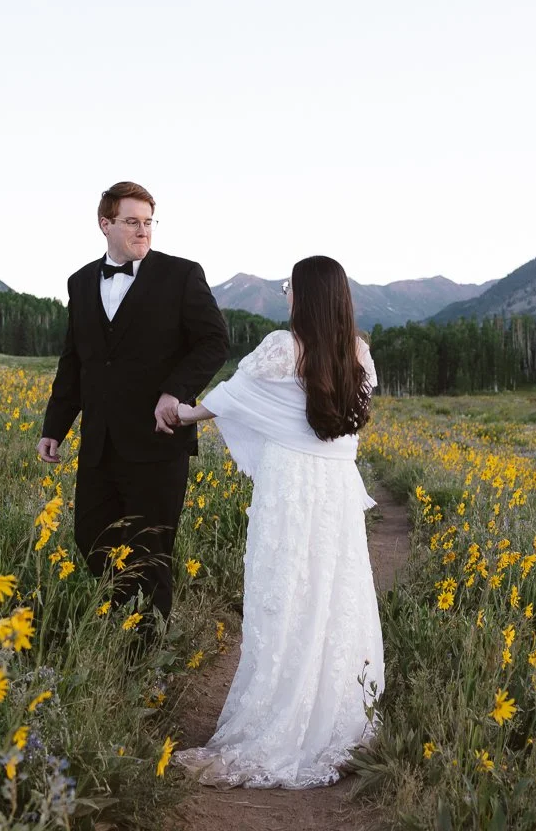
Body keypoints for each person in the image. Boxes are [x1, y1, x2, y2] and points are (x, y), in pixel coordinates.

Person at [170, 255, 384, 789]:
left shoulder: (283, 347)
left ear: (305, 296)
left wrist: (182, 412)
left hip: (292, 488)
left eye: (290, 286)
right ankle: (335, 716)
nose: (285, 294)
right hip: (335, 490)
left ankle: (277, 723)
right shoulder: (358, 354)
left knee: (285, 593)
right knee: (334, 595)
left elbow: (232, 398)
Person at [38, 181, 229, 638]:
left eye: (148, 222)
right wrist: (55, 426)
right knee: (90, 537)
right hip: (100, 442)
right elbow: (75, 361)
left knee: (151, 550)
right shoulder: (81, 282)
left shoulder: (182, 275)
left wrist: (175, 392)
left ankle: (145, 658)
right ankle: (124, 616)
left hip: (158, 442)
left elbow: (214, 342)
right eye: (131, 222)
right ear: (105, 224)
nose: (142, 231)